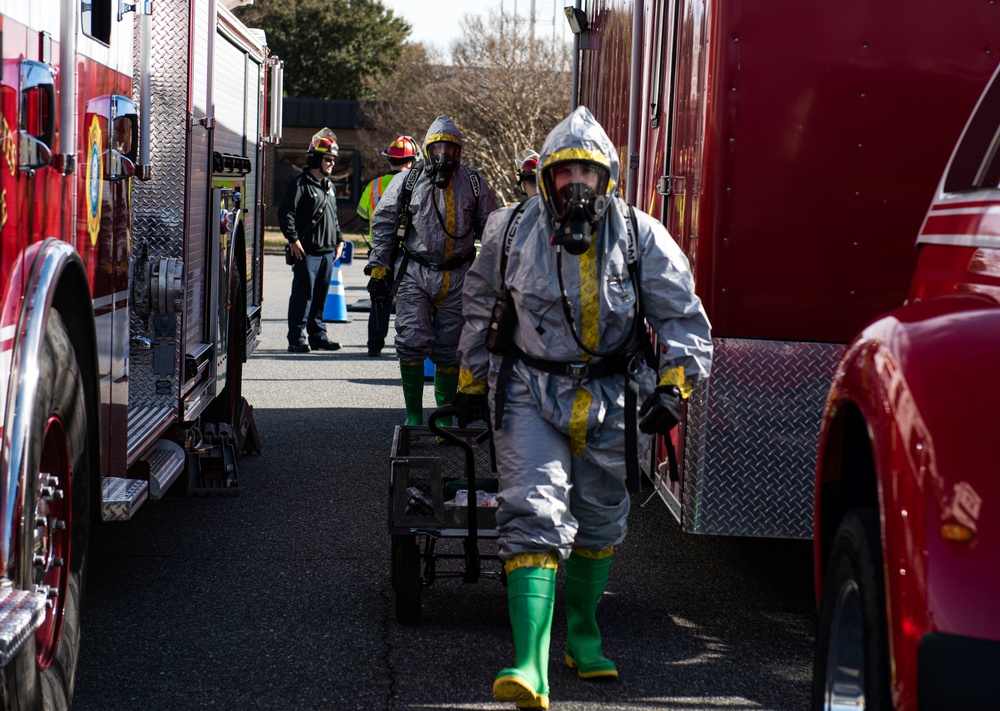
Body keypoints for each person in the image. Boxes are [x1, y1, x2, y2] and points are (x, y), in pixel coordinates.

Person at [454, 106, 713, 710]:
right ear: (547, 177)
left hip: (615, 396)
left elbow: (681, 316)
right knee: (532, 512)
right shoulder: (509, 229)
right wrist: (470, 380)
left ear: (608, 179)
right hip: (528, 390)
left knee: (600, 517)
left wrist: (674, 387)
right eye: (565, 173)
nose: (577, 185)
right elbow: (478, 304)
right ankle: (529, 665)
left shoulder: (642, 235)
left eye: (588, 174)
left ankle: (583, 635)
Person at [367, 116, 499, 425]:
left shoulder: (474, 183)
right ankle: (413, 415)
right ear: (428, 149)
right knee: (411, 340)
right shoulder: (408, 180)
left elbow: (493, 231)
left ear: (459, 152)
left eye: (449, 149)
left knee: (451, 347)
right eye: (437, 147)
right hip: (415, 272)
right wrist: (378, 267)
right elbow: (384, 223)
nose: (443, 155)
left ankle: (442, 417)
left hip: (459, 276)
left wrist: (496, 275)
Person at [278, 128, 346, 353]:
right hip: (306, 252)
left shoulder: (330, 186)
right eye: (328, 159)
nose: (332, 164)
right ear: (316, 158)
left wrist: (339, 240)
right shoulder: (300, 184)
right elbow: (285, 212)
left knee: (320, 298)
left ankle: (318, 336)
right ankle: (296, 338)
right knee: (302, 296)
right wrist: (293, 240)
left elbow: (333, 216)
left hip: (328, 252)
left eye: (334, 160)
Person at [357, 136, 420, 357]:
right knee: (411, 300)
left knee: (379, 298)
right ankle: (408, 348)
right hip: (410, 253)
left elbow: (363, 215)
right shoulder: (418, 185)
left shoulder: (373, 186)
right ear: (411, 161)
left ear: (389, 159)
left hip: (379, 254)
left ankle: (374, 346)